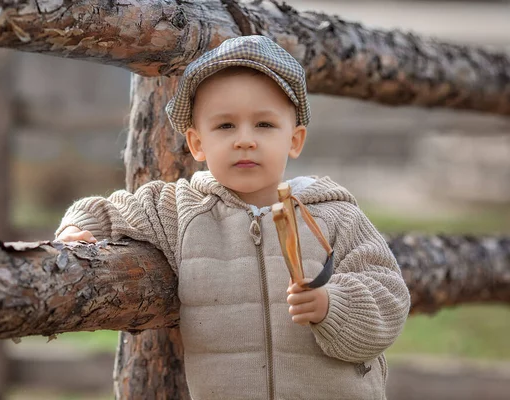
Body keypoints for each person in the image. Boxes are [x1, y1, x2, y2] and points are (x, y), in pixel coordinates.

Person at [55, 35, 410, 399]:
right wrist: (74, 230)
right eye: (225, 126)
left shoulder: (334, 215)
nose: (244, 140)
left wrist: (330, 305)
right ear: (197, 144)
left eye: (264, 125)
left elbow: (388, 295)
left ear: (295, 140)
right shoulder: (181, 210)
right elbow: (107, 210)